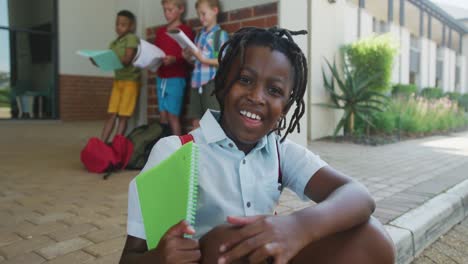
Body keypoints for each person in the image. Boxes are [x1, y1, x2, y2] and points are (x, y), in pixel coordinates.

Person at [119, 27, 395, 264]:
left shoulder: (280, 152)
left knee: (371, 237)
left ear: (285, 108)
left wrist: (297, 227)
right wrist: (159, 258)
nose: (256, 97)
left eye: (274, 91)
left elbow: (358, 196)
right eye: (245, 80)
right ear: (223, 82)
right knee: (223, 242)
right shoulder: (175, 151)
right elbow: (129, 258)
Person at [184, 0, 229, 129]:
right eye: (199, 15)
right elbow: (196, 60)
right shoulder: (199, 35)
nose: (201, 18)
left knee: (212, 119)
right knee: (196, 120)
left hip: (211, 83)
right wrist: (188, 57)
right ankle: (197, 148)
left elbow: (222, 61)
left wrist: (202, 59)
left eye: (203, 13)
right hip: (196, 83)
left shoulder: (220, 35)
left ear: (215, 11)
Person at [100, 10, 141, 143]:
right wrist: (97, 60)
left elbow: (127, 59)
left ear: (131, 26)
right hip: (118, 82)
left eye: (123, 24)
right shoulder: (113, 43)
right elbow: (109, 62)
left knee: (123, 116)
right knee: (111, 113)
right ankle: (102, 144)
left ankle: (117, 147)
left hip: (130, 82)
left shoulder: (131, 38)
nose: (119, 27)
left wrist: (110, 59)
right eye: (117, 24)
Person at [155, 0, 194, 136]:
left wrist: (175, 59)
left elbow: (189, 55)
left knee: (173, 116)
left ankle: (178, 150)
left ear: (181, 9)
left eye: (170, 10)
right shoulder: (160, 32)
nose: (166, 13)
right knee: (163, 116)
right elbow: (157, 52)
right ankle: (163, 149)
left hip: (176, 78)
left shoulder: (186, 31)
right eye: (165, 10)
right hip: (161, 77)